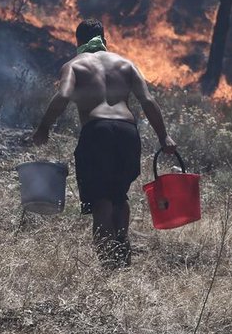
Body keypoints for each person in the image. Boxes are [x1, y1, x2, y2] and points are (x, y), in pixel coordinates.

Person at [33, 18, 177, 268]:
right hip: (126, 132)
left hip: (97, 132)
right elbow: (148, 100)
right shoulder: (126, 64)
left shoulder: (74, 65)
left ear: (78, 41)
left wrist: (44, 127)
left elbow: (63, 95)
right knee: (119, 196)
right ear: (105, 40)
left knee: (101, 200)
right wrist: (164, 136)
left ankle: (109, 265)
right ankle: (122, 250)